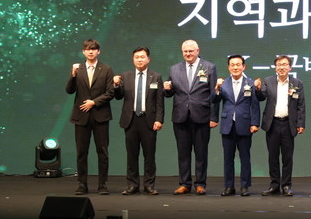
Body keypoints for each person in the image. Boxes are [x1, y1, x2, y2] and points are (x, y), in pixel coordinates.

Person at [164, 39, 218, 195]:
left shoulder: (209, 67)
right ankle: (184, 183)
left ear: (197, 51)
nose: (188, 54)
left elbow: (214, 94)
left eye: (191, 51)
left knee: (201, 153)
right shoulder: (174, 69)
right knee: (183, 153)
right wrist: (167, 89)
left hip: (202, 116)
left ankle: (200, 183)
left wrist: (214, 117)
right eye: (185, 51)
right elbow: (170, 93)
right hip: (180, 116)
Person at [65, 39, 115, 195]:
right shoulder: (78, 69)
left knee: (103, 152)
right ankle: (82, 184)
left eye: (93, 49)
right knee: (81, 152)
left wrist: (93, 102)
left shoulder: (106, 69)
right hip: (81, 116)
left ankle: (102, 185)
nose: (90, 51)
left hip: (101, 116)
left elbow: (110, 92)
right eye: (87, 49)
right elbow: (69, 90)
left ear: (98, 51)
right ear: (83, 52)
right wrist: (73, 75)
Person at [113, 46, 164, 195]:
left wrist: (159, 119)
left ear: (148, 59)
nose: (139, 60)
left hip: (149, 121)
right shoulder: (126, 76)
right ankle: (132, 185)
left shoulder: (156, 77)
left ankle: (149, 185)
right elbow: (118, 96)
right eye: (137, 57)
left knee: (149, 156)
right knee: (132, 155)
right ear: (133, 59)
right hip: (131, 120)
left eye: (142, 57)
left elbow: (159, 101)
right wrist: (116, 85)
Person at [255, 55, 306, 196]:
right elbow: (261, 97)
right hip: (272, 123)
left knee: (287, 157)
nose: (281, 67)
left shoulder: (297, 83)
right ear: (275, 68)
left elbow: (301, 105)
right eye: (279, 65)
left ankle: (286, 186)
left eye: (284, 64)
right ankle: (274, 185)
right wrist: (257, 89)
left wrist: (300, 123)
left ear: (290, 67)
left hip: (289, 123)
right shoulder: (268, 81)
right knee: (273, 156)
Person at [213, 55, 260, 196]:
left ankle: (245, 186)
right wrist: (216, 88)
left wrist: (255, 123)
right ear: (228, 67)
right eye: (232, 65)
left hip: (245, 125)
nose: (235, 67)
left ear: (243, 67)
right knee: (228, 159)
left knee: (245, 158)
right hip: (227, 125)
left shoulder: (250, 83)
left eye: (238, 64)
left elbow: (255, 106)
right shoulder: (223, 84)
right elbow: (214, 100)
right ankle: (229, 186)